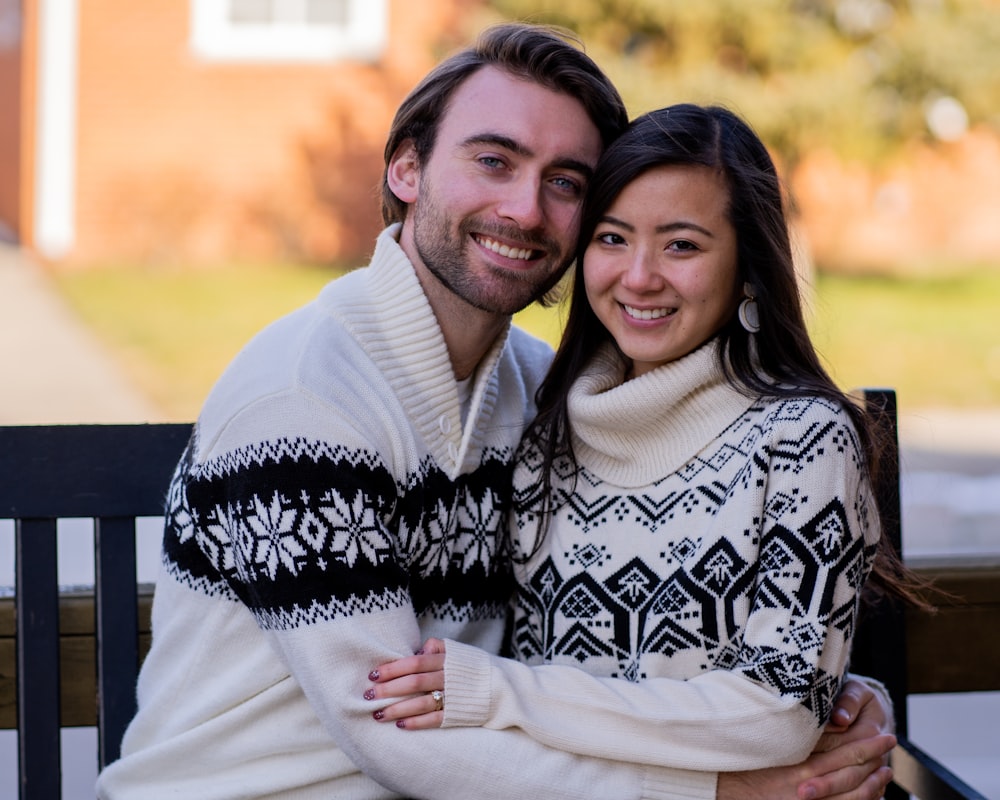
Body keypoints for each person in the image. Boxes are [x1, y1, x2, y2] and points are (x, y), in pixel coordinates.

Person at [97, 25, 893, 800]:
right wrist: (719, 789)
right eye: (494, 161)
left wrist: (827, 700)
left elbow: (652, 626)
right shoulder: (304, 402)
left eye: (565, 183)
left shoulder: (540, 393)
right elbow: (390, 733)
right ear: (407, 169)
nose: (525, 209)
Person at [365, 103, 912, 790]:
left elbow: (773, 713)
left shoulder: (801, 441)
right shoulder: (545, 436)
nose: (640, 277)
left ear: (747, 267)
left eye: (682, 245)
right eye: (613, 238)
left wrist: (507, 693)